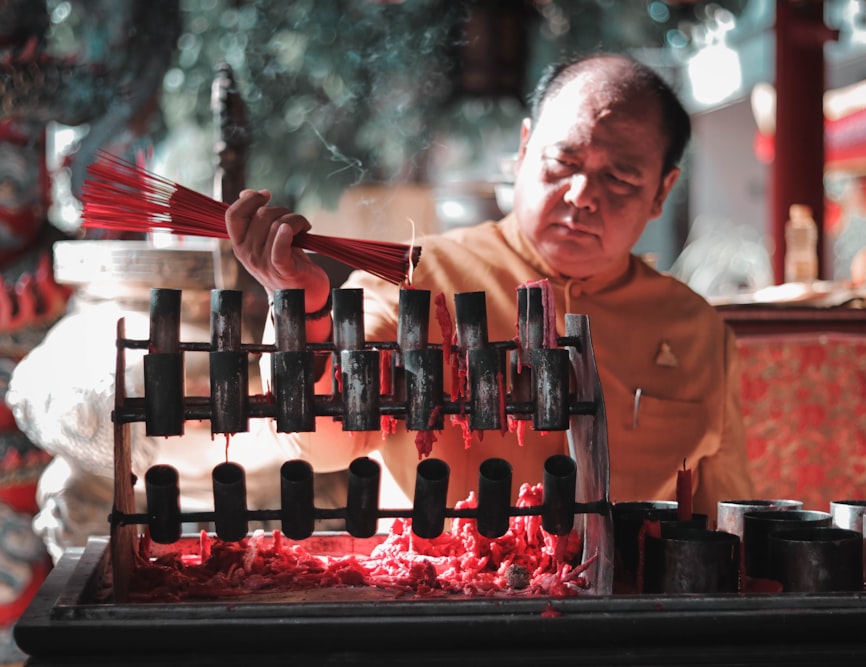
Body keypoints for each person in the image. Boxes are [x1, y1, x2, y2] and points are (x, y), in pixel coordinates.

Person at [226, 53, 754, 517]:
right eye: (561, 162)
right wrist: (302, 307)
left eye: (619, 178)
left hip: (624, 614)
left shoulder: (695, 329)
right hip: (444, 603)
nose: (581, 195)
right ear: (523, 150)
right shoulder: (417, 276)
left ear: (663, 191)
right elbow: (321, 448)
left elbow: (722, 521)